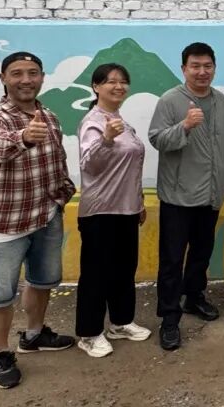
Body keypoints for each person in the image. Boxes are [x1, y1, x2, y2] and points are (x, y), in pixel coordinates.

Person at [0, 51, 76, 389]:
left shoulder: (50, 116)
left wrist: (62, 194)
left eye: (33, 73)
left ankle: (34, 335)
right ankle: (1, 354)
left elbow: (57, 160)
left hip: (46, 216)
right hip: (5, 223)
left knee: (43, 281)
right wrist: (23, 137)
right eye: (17, 73)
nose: (26, 80)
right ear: (3, 79)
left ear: (42, 78)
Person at [148, 43, 224, 350]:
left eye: (207, 66)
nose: (202, 72)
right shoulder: (170, 100)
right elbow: (157, 139)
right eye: (195, 66)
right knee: (172, 260)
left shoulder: (221, 101)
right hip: (178, 196)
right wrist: (184, 126)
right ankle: (169, 319)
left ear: (214, 68)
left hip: (210, 193)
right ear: (183, 69)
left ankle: (194, 297)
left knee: (201, 252)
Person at [75, 63, 152, 357]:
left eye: (123, 81)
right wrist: (106, 139)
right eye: (110, 81)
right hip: (100, 211)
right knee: (96, 274)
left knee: (123, 270)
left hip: (126, 209)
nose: (118, 86)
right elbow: (89, 165)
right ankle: (89, 333)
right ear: (96, 87)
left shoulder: (121, 121)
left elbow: (130, 168)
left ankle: (120, 322)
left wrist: (139, 202)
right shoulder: (93, 122)